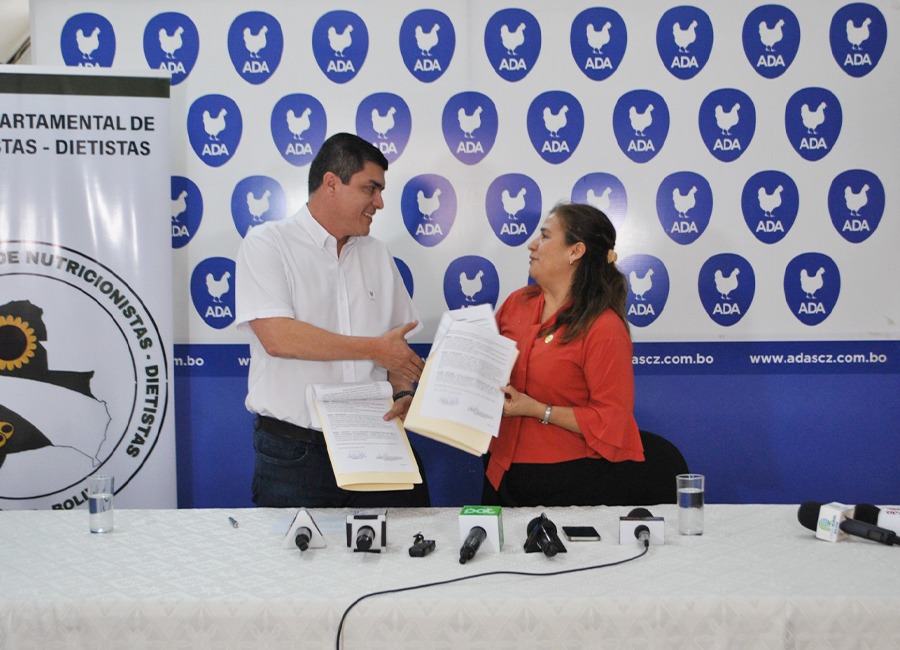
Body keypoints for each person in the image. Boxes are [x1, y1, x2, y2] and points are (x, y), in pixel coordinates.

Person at [235, 132, 429, 508]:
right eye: (370, 189)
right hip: (296, 451)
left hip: (377, 439)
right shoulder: (267, 244)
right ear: (331, 184)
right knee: (298, 566)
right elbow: (279, 337)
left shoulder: (377, 254)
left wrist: (404, 392)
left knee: (399, 560)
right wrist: (375, 350)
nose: (380, 202)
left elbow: (396, 348)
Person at [483, 202, 645, 507]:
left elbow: (612, 419)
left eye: (544, 236)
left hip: (570, 483)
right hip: (498, 473)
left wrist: (536, 409)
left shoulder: (603, 327)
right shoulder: (516, 303)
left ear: (576, 251)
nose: (531, 245)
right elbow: (480, 374)